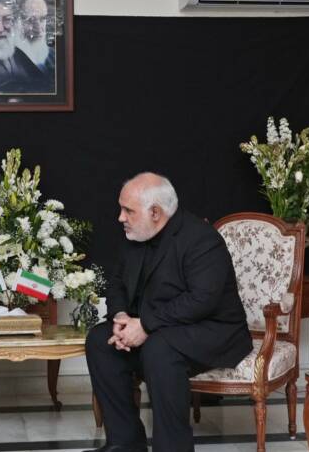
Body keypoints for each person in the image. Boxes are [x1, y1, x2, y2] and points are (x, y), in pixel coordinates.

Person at [85, 172, 253, 452]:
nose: (120, 217)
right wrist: (120, 316)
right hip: (161, 327)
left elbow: (201, 300)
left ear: (155, 212)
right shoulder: (135, 235)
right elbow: (117, 283)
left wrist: (145, 325)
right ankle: (125, 444)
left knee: (160, 349)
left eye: (128, 210)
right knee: (100, 341)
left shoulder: (201, 239)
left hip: (212, 330)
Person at [16, 0, 55, 77]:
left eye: (42, 19)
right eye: (31, 20)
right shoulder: (9, 61)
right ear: (19, 22)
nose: (39, 29)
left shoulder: (54, 57)